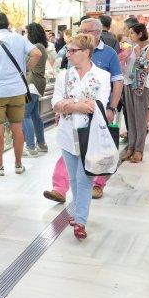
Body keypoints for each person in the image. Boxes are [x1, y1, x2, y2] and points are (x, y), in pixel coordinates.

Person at [52, 34, 111, 239]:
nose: (68, 54)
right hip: (67, 136)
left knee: (83, 178)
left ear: (86, 52)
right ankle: (78, 213)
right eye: (68, 50)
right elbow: (56, 103)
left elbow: (98, 105)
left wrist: (70, 105)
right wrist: (79, 105)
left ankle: (80, 221)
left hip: (91, 135)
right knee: (73, 178)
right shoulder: (64, 76)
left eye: (72, 50)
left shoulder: (102, 76)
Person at [0, 12, 41, 176]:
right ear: (7, 24)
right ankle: (18, 165)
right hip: (18, 91)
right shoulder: (19, 38)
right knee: (17, 127)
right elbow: (37, 53)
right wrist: (26, 68)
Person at [78, 18, 124, 199]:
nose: (81, 34)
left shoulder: (109, 53)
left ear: (97, 33)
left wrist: (111, 108)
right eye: (80, 30)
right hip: (78, 109)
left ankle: (98, 184)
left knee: (102, 146)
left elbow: (118, 82)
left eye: (85, 31)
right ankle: (59, 187)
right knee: (74, 146)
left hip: (101, 109)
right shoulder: (78, 51)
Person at [122, 23, 149, 164]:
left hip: (142, 85)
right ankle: (131, 147)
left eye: (132, 33)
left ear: (140, 34)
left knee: (140, 119)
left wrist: (137, 55)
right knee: (130, 117)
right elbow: (128, 67)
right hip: (128, 83)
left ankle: (139, 150)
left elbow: (146, 68)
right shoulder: (133, 48)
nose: (130, 36)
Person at [23, 22, 49, 157]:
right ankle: (41, 144)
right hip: (37, 84)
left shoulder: (36, 47)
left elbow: (24, 63)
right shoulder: (41, 46)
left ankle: (31, 147)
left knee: (24, 115)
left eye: (27, 33)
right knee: (34, 115)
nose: (25, 35)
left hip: (31, 85)